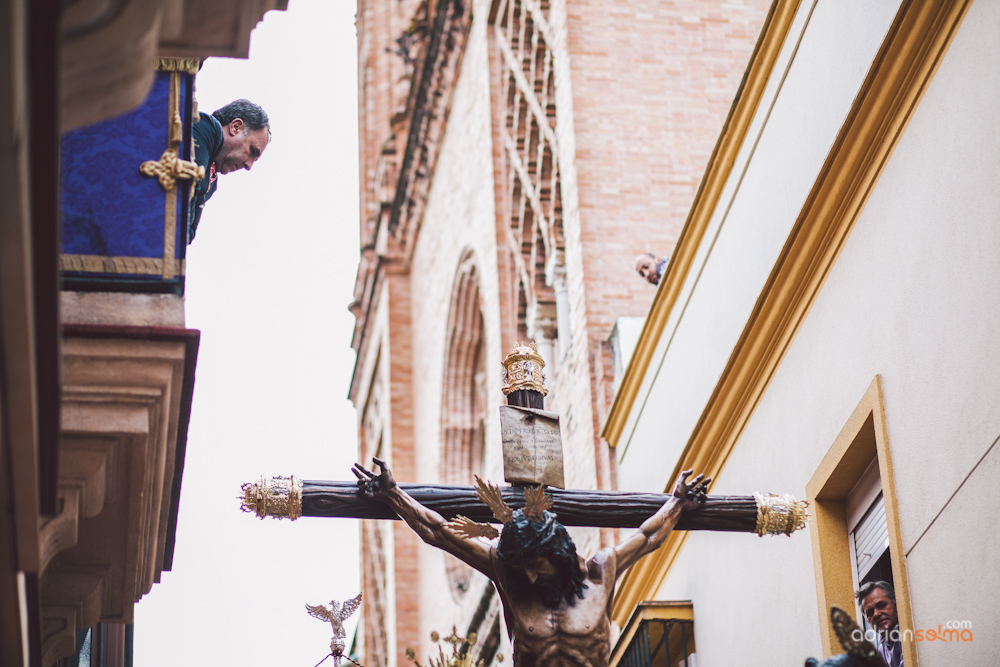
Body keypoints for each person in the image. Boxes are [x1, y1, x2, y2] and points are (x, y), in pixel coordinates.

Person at [352, 457, 710, 667]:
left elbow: (648, 537)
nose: (530, 577)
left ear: (559, 555)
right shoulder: (509, 577)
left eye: (537, 565)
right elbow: (439, 532)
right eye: (522, 567)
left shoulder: (602, 571)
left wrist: (677, 503)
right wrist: (393, 494)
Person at [188, 99, 271, 243]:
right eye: (252, 151)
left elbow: (189, 233)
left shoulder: (212, 182)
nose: (248, 165)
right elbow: (189, 188)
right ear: (236, 127)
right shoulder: (206, 128)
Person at [856, 581, 903, 667]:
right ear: (867, 620)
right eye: (870, 612)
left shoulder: (909, 631)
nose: (876, 614)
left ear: (896, 604)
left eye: (881, 605)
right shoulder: (882, 646)